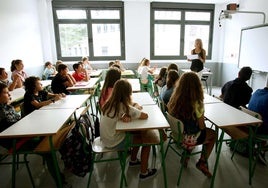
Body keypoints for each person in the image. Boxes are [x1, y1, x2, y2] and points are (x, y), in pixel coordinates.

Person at [0, 83, 71, 188]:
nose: (9, 95)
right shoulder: (1, 111)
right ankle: (61, 183)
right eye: (6, 93)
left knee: (53, 136)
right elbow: (9, 129)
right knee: (48, 152)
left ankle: (67, 162)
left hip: (23, 134)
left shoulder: (6, 106)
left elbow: (17, 120)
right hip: (14, 142)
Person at [100, 79, 157, 180]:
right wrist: (134, 109)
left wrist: (127, 113)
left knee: (137, 135)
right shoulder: (123, 106)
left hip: (105, 138)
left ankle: (133, 160)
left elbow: (124, 111)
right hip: (113, 142)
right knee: (147, 142)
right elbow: (145, 116)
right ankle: (144, 173)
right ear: (128, 93)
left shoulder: (110, 103)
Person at [167, 72, 216, 177]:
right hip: (188, 137)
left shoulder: (174, 98)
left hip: (177, 134)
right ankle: (202, 162)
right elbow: (202, 126)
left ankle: (186, 156)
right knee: (212, 135)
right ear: (197, 86)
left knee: (191, 130)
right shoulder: (197, 103)